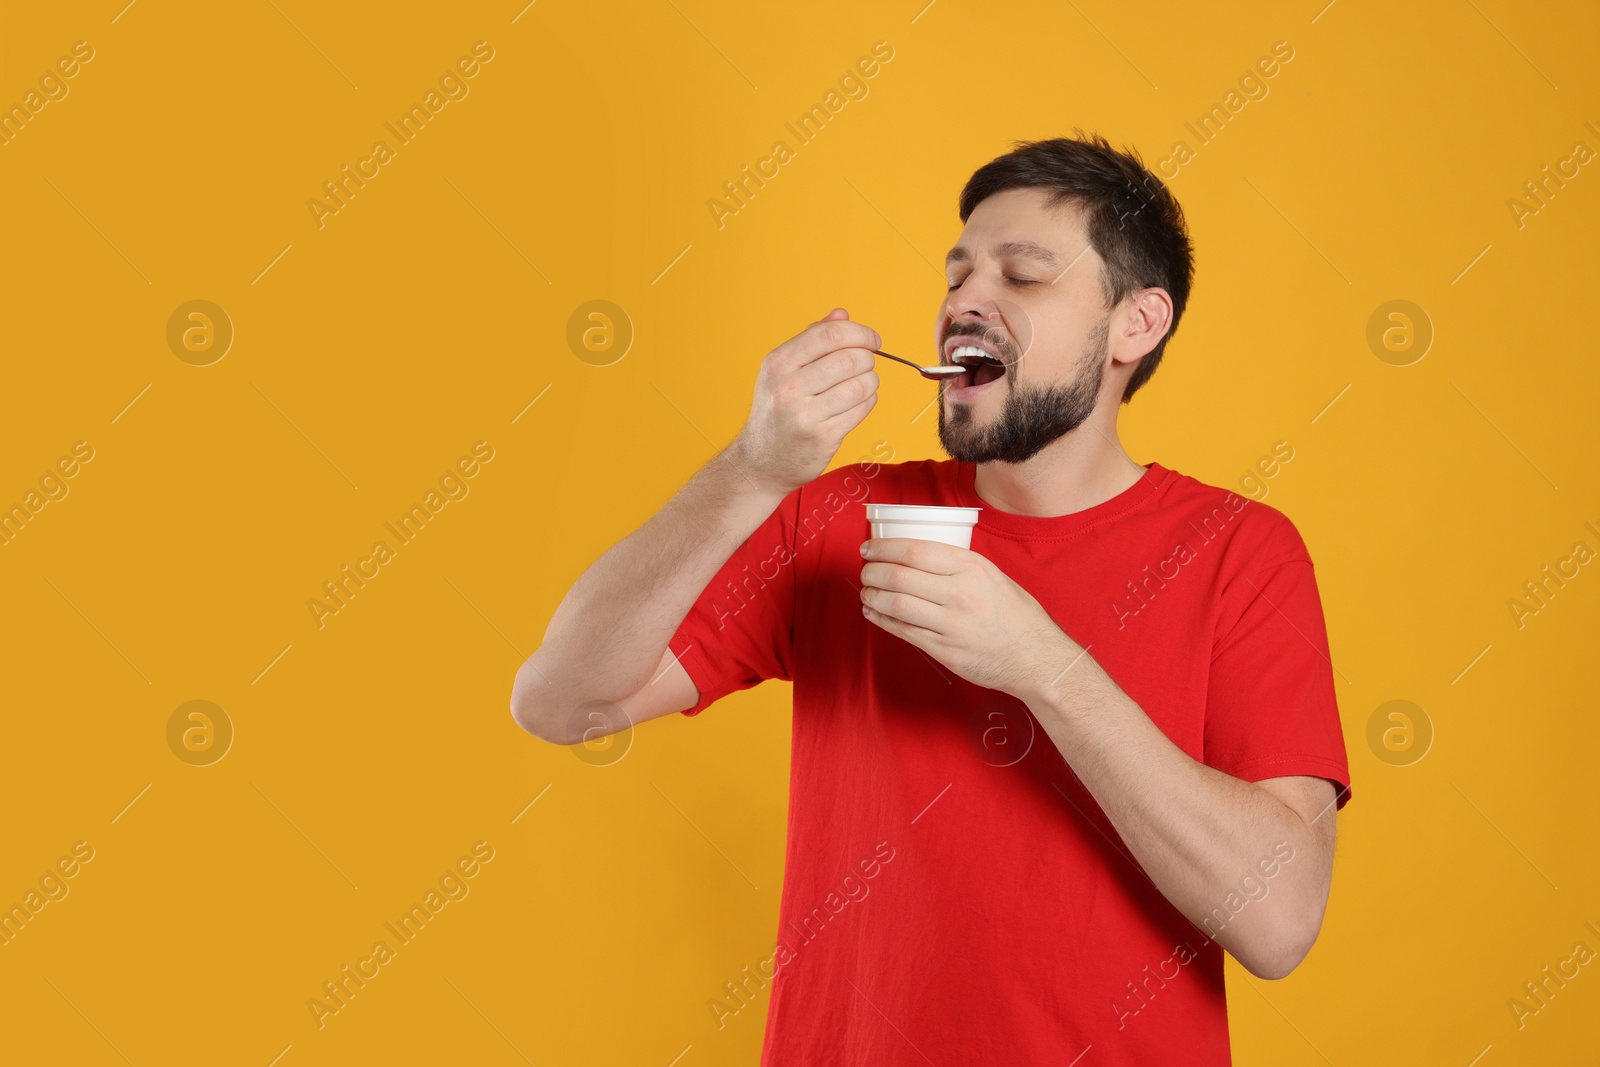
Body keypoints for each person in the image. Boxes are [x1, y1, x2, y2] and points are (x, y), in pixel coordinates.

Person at [511, 132, 1352, 1065]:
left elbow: (1278, 923)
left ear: (1135, 325)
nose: (965, 303)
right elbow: (559, 702)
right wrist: (752, 469)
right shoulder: (836, 518)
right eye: (958, 275)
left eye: (1022, 276)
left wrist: (1044, 665)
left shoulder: (1240, 551)